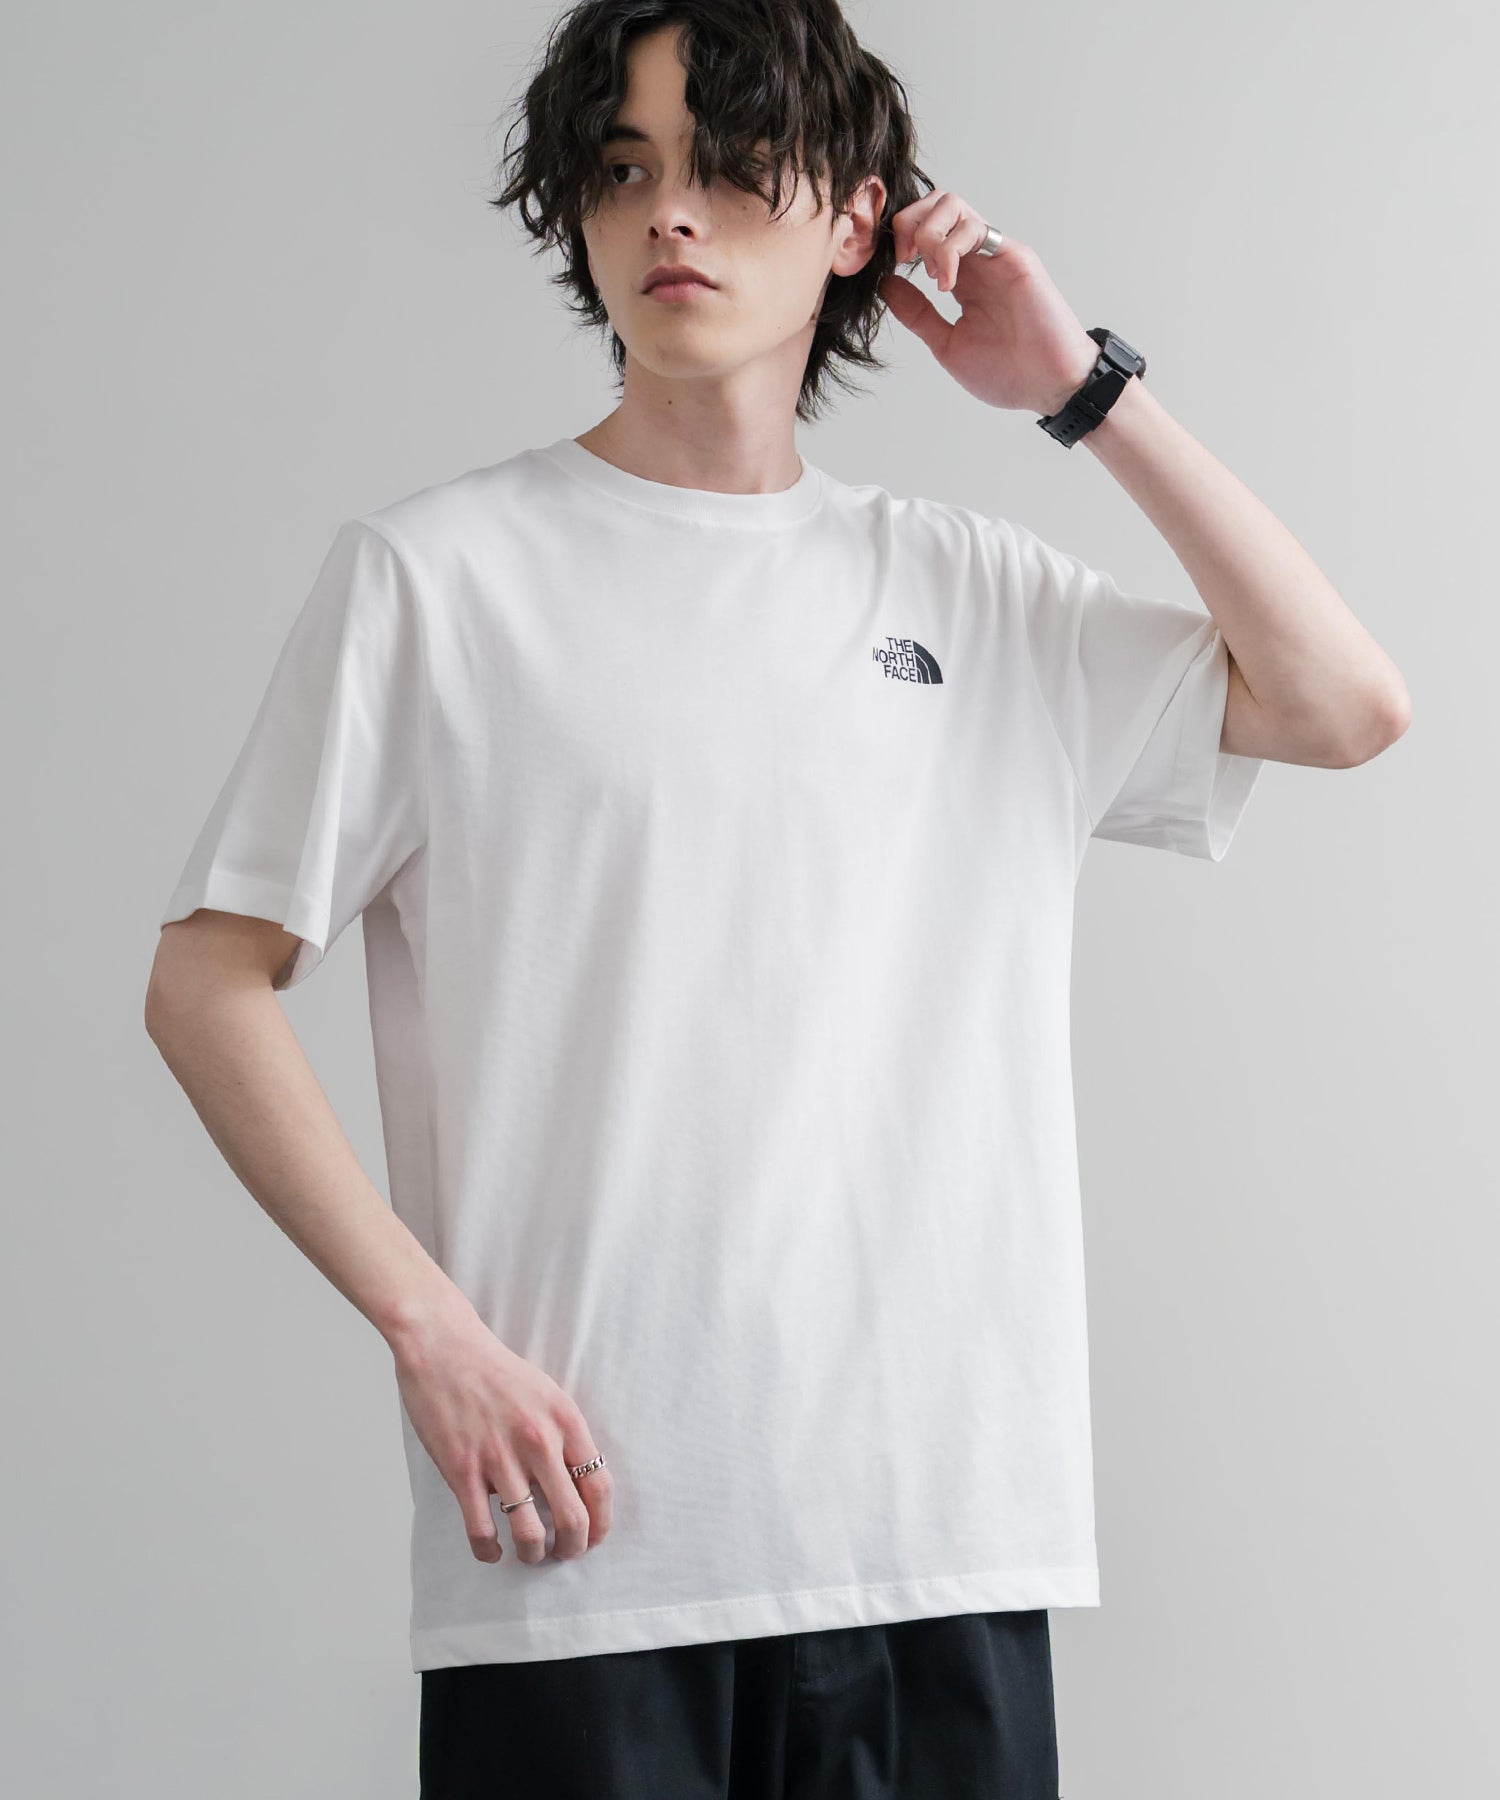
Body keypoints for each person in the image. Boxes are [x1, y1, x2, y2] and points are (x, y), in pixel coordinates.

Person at [144, 2, 1411, 1795]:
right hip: (582, 1558)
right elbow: (206, 980)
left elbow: (1346, 706)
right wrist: (429, 1332)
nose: (671, 212)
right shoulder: (438, 584)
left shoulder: (973, 596)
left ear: (858, 221)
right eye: (624, 169)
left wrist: (1082, 395)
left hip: (939, 1554)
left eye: (735, 167)